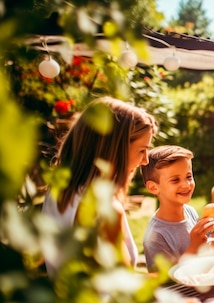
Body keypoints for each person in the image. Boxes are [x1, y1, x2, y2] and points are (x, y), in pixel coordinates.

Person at [42, 96, 158, 276]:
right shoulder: (104, 210)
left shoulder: (60, 191)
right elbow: (125, 290)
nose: (145, 160)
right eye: (142, 150)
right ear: (115, 150)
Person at [140, 145, 214, 273]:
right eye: (175, 180)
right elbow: (166, 282)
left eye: (189, 176)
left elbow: (200, 266)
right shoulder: (155, 236)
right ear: (153, 187)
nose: (186, 184)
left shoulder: (189, 212)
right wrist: (193, 246)